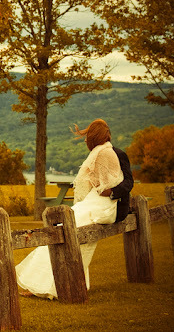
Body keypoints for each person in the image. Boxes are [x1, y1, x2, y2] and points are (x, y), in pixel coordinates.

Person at [16, 119, 124, 299]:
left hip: (101, 205)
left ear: (95, 136)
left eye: (88, 135)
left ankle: (52, 286)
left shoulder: (104, 154)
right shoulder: (103, 151)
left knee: (66, 232)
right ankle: (45, 285)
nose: (85, 140)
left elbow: (108, 188)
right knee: (60, 231)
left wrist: (95, 187)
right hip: (95, 202)